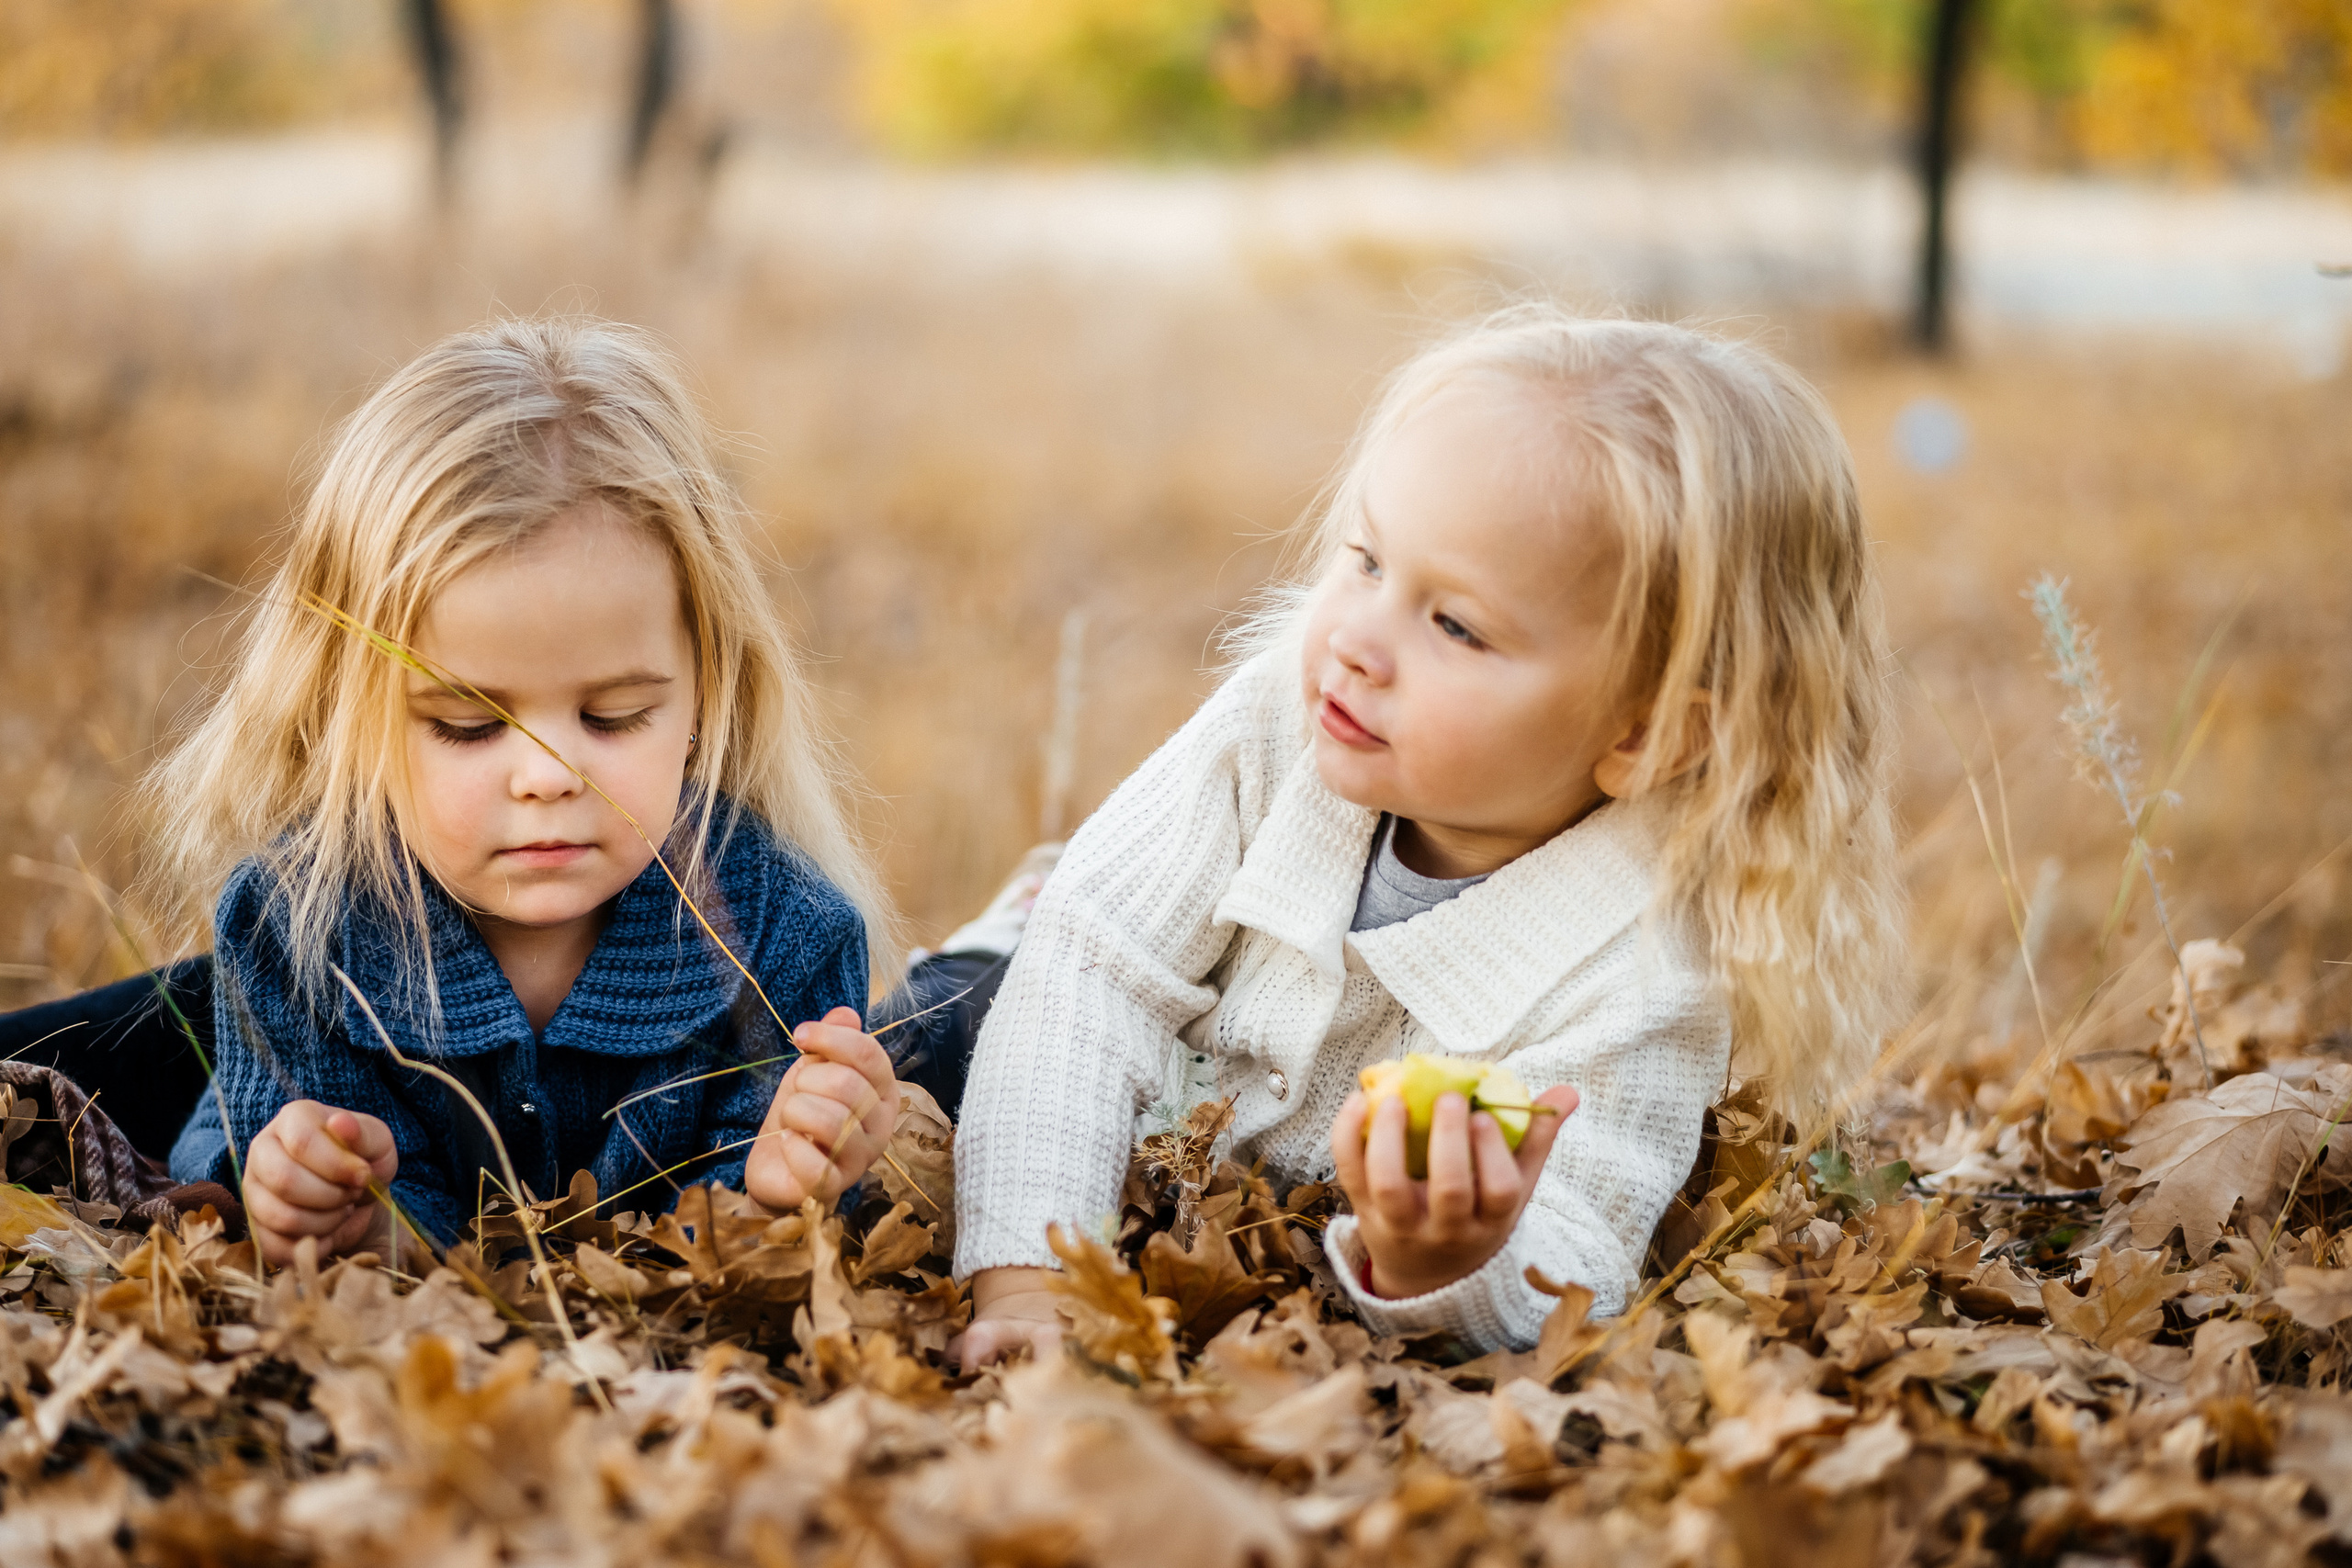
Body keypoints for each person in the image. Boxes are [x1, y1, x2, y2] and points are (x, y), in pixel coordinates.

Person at [951, 307, 1906, 1364]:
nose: (1356, 640)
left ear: (1644, 735)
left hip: (1255, 1215)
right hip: (1053, 999)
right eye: (1365, 560)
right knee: (939, 1041)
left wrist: (1450, 1262)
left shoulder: (1642, 971)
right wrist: (1033, 1285)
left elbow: (1579, 1250)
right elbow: (1089, 982)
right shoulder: (1274, 727)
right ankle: (975, 951)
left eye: (1453, 624)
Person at [118, 317, 906, 1266]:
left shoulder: (788, 932)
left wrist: (776, 1187)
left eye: (614, 716)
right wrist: (349, 1213)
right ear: (350, 716)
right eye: (467, 724)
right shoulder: (295, 929)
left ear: (707, 692)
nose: (546, 776)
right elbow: (371, 1223)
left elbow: (740, 1226)